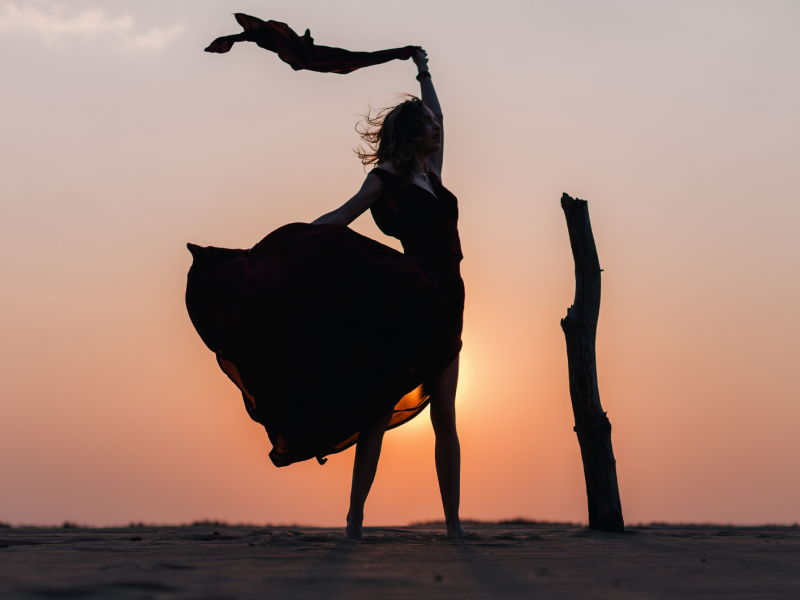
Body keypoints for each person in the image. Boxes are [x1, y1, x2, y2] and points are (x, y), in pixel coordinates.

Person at [185, 49, 466, 538]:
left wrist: (422, 68)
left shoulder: (434, 175)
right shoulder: (390, 180)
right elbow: (343, 215)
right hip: (409, 297)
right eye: (425, 124)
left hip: (448, 298)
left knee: (445, 412)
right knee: (378, 412)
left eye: (432, 123)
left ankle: (454, 524)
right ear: (411, 133)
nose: (435, 128)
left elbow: (441, 114)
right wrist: (291, 244)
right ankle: (356, 517)